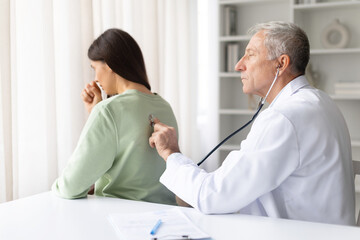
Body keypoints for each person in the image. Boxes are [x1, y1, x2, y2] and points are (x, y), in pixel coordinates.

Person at [149, 21, 356, 225]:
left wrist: (171, 153)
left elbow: (212, 197)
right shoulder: (322, 102)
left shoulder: (284, 117)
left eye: (250, 54)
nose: (239, 65)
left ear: (281, 64)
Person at [52, 28, 178, 205]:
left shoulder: (108, 111)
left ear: (109, 64)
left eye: (95, 68)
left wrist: (99, 112)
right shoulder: (165, 106)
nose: (95, 79)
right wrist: (96, 111)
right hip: (166, 219)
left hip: (123, 221)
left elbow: (70, 187)